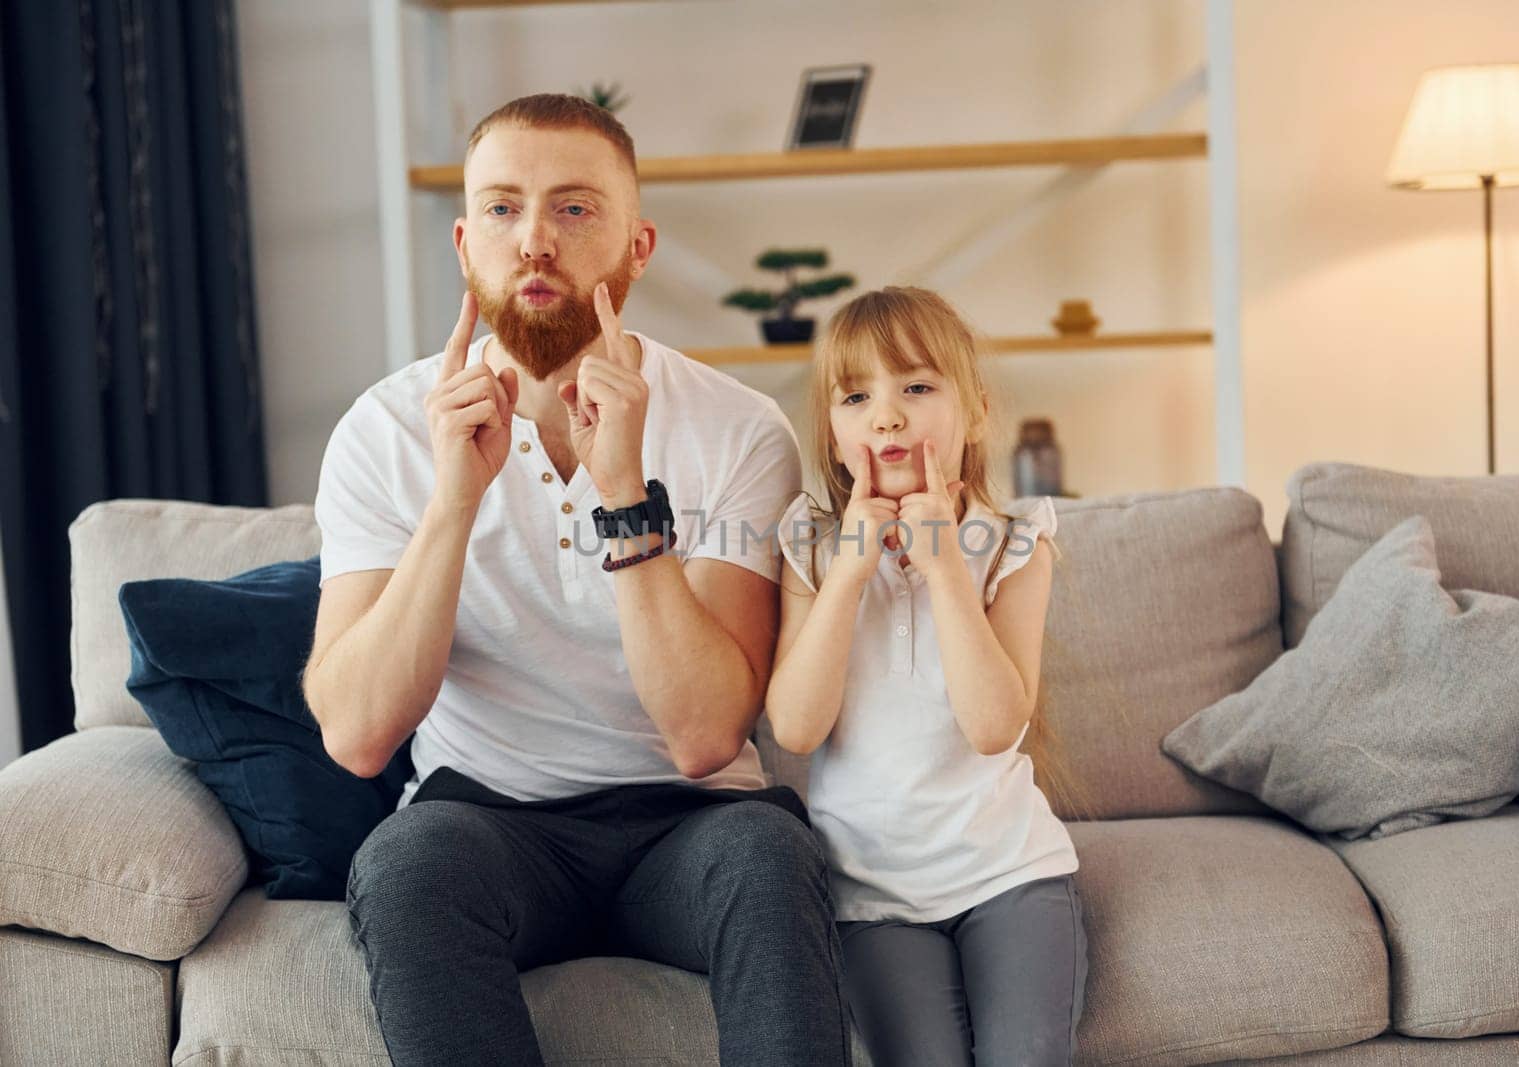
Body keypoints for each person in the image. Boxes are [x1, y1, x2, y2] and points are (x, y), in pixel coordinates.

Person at [302, 94, 849, 1067]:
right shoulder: (383, 431)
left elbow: (704, 734)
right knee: (404, 861)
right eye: (505, 210)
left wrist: (623, 493)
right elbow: (356, 733)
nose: (535, 241)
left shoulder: (736, 428)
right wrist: (452, 504)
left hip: (691, 824)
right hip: (487, 817)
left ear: (637, 247)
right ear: (466, 241)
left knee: (771, 859)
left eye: (574, 209)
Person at [765, 287, 1088, 1066]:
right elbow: (796, 728)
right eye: (857, 396)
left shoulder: (1015, 541)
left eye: (916, 386)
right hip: (871, 896)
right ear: (834, 434)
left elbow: (993, 726)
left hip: (1010, 874)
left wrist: (945, 571)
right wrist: (847, 574)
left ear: (975, 412)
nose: (887, 415)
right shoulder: (810, 545)